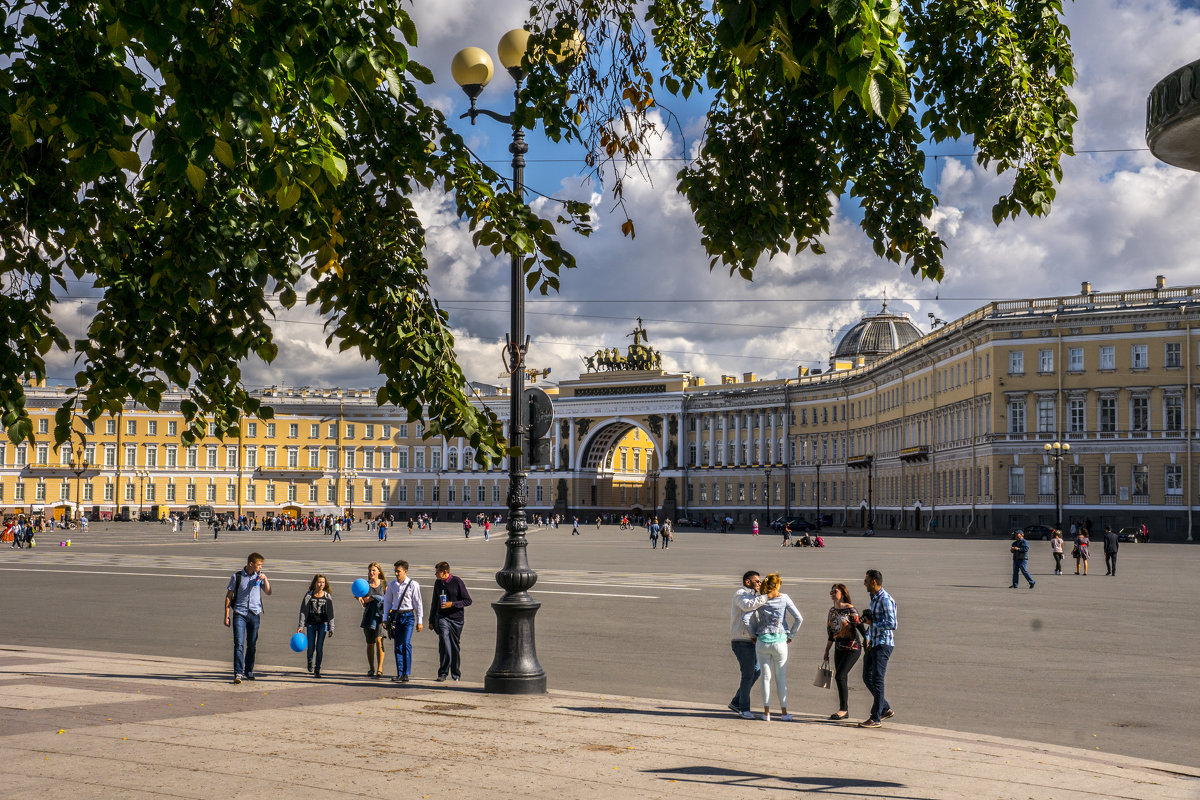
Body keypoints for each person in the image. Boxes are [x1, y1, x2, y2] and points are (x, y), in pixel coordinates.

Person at [747, 573, 803, 722]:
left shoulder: (761, 599)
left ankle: (766, 713)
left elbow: (746, 617)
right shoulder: (784, 598)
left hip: (762, 640)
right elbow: (799, 618)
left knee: (766, 677)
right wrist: (791, 635)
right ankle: (784, 712)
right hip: (780, 641)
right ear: (777, 585)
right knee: (781, 679)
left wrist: (753, 634)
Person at [224, 552, 272, 684]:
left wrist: (265, 580)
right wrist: (226, 615)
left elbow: (268, 592)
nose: (260, 567)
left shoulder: (259, 577)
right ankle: (238, 672)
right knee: (239, 644)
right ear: (251, 564)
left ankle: (248, 670)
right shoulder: (237, 577)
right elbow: (229, 596)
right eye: (259, 565)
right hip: (240, 613)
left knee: (252, 644)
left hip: (254, 614)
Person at [858, 568, 897, 728]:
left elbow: (892, 624)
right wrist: (867, 636)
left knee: (878, 679)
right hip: (873, 642)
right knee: (867, 677)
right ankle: (885, 708)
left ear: (874, 582)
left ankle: (876, 718)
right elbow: (871, 622)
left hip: (883, 644)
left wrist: (872, 623)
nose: (864, 583)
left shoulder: (885, 600)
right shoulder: (873, 598)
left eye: (866, 581)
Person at [728, 570, 769, 719]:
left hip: (752, 640)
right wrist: (767, 596)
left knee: (756, 671)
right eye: (757, 581)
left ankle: (736, 701)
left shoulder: (754, 596)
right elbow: (747, 606)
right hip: (741, 641)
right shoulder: (741, 594)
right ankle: (743, 708)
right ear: (748, 582)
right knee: (748, 674)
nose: (759, 583)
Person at [823, 583, 865, 721]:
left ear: (842, 593)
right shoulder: (831, 611)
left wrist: (867, 639)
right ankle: (844, 709)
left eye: (835, 591)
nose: (832, 593)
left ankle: (843, 709)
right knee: (842, 678)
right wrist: (827, 650)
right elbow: (831, 633)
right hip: (839, 648)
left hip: (852, 648)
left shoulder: (850, 609)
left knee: (840, 676)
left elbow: (860, 626)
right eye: (831, 591)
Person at [430, 561, 473, 682]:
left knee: (454, 647)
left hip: (456, 619)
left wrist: (452, 604)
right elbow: (434, 602)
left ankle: (456, 674)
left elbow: (468, 600)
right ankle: (443, 672)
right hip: (442, 617)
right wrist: (431, 619)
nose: (435, 574)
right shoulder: (438, 583)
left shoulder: (457, 581)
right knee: (444, 641)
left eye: (437, 571)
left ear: (444, 572)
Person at [383, 559, 423, 682]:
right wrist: (385, 618)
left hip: (408, 616)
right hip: (396, 616)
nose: (396, 574)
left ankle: (406, 673)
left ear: (405, 571)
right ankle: (400, 673)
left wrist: (419, 620)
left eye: (398, 571)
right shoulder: (392, 585)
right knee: (397, 645)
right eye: (395, 571)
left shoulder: (413, 584)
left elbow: (418, 603)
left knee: (406, 643)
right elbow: (387, 602)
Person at [297, 574, 335, 678]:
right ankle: (310, 661)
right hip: (310, 624)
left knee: (319, 647)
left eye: (323, 582)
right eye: (319, 582)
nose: (321, 584)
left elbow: (331, 613)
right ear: (314, 583)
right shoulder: (309, 595)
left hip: (322, 625)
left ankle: (317, 669)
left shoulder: (327, 596)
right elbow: (303, 611)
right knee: (311, 647)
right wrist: (301, 625)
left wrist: (331, 627)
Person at [359, 562, 388, 678]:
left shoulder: (384, 585)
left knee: (379, 640)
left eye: (374, 570)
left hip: (381, 617)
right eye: (370, 570)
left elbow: (388, 599)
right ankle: (371, 668)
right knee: (370, 643)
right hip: (368, 617)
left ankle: (380, 669)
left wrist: (372, 598)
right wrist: (361, 600)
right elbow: (364, 603)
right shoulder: (365, 585)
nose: (371, 572)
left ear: (379, 572)